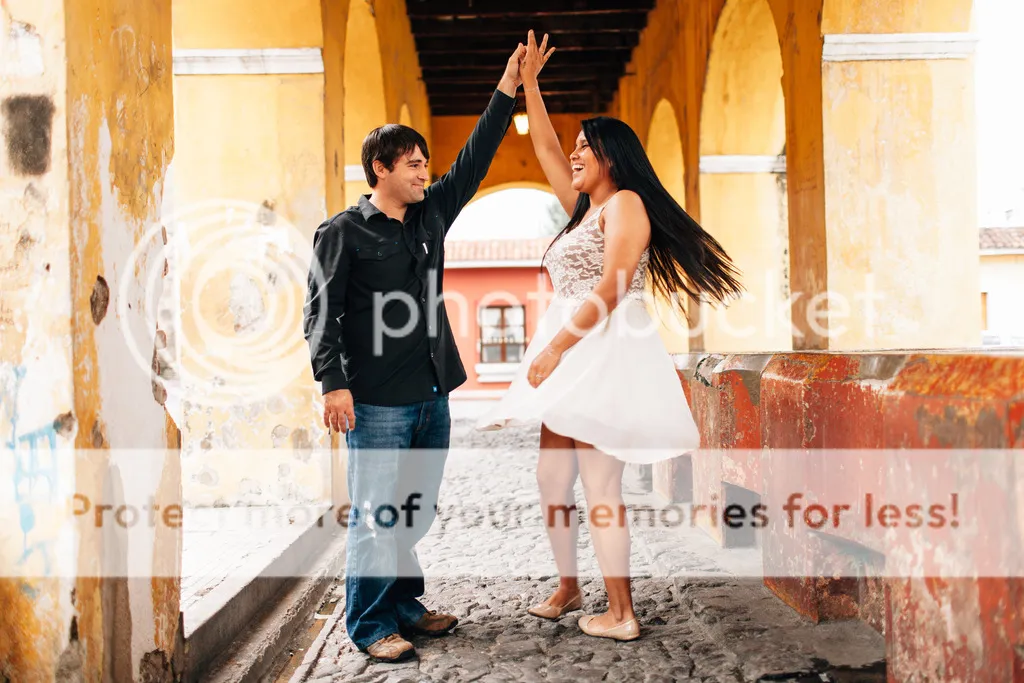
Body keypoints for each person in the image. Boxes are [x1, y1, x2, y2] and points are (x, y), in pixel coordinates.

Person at [476, 31, 744, 642]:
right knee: (551, 479)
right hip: (576, 351)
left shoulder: (625, 203)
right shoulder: (585, 206)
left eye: (584, 149)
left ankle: (621, 612)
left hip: (600, 350)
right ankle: (569, 583)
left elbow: (612, 289)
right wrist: (529, 85)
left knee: (599, 484)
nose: (572, 155)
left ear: (613, 159)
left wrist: (552, 349)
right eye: (574, 148)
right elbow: (543, 143)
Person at [303, 42, 551, 662]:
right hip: (377, 401)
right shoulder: (342, 232)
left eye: (425, 164)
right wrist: (332, 382)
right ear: (381, 168)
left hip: (431, 395)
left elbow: (475, 157)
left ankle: (405, 605)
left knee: (413, 511)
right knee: (375, 514)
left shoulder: (430, 214)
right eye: (413, 165)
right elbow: (319, 310)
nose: (424, 173)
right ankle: (369, 623)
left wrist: (508, 85)